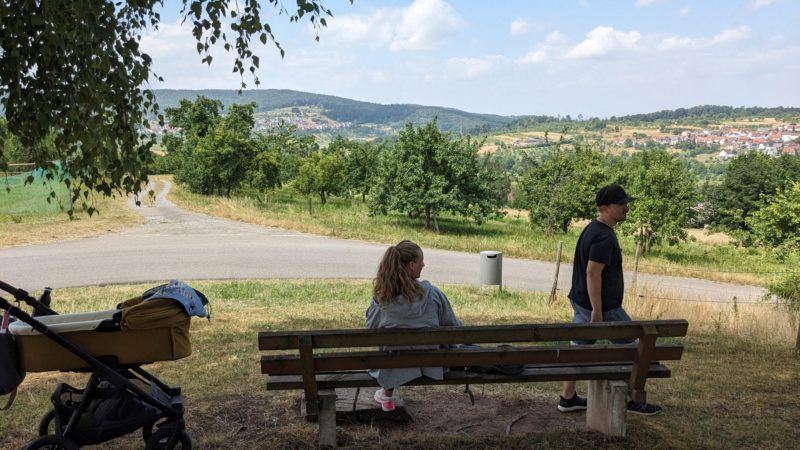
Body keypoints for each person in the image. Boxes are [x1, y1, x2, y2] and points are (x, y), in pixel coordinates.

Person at [558, 184, 662, 416]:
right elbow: (593, 273)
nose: (627, 207)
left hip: (582, 301)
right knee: (634, 352)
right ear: (605, 208)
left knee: (577, 348)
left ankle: (567, 398)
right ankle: (628, 399)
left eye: (626, 203)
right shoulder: (603, 236)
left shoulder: (592, 229)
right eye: (621, 204)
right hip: (603, 308)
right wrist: (598, 310)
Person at [365, 240, 462, 412]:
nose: (424, 264)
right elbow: (453, 328)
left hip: (394, 366)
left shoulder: (382, 299)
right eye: (420, 261)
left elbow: (370, 330)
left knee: (394, 351)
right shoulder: (433, 294)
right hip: (432, 365)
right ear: (411, 265)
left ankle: (386, 393)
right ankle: (386, 393)